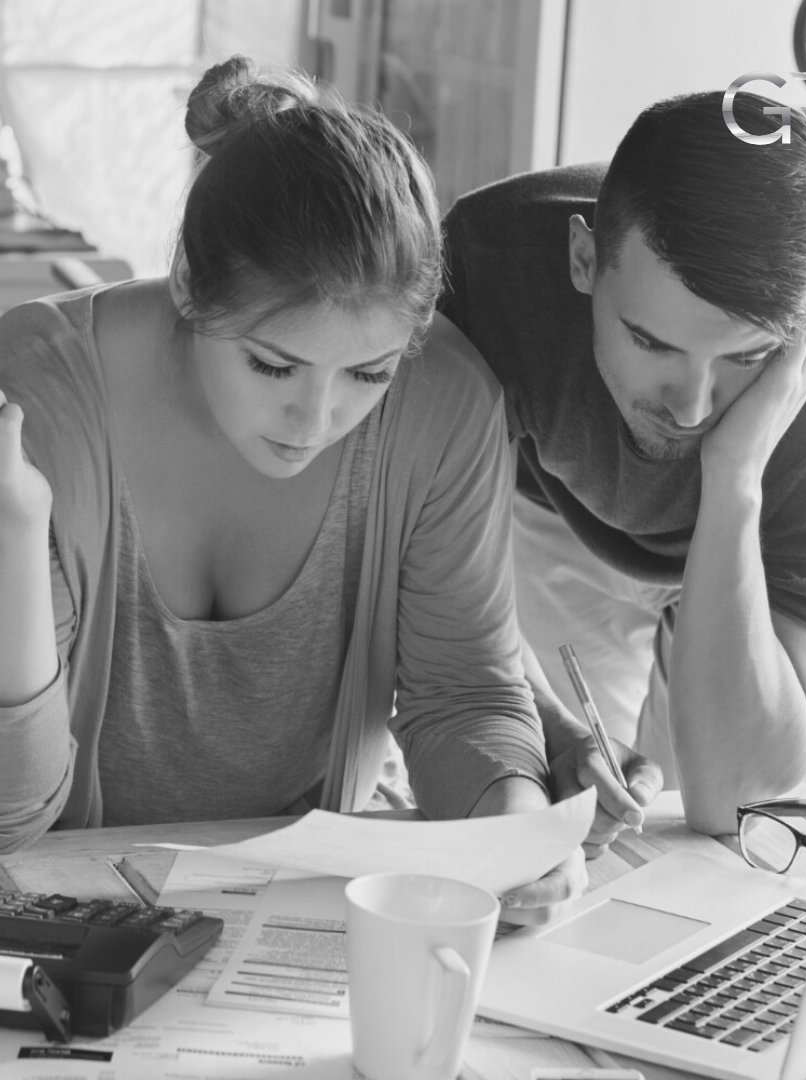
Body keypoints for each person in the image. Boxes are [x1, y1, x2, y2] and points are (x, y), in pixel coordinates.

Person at [0, 57, 580, 922]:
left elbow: (463, 691)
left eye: (368, 374)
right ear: (192, 285)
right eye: (275, 364)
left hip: (306, 916)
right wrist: (15, 530)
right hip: (61, 925)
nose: (316, 419)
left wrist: (511, 837)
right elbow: (13, 816)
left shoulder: (446, 405)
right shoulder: (37, 395)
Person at [439, 91, 806, 841]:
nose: (693, 409)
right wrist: (552, 725)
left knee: (708, 843)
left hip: (742, 553)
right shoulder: (486, 266)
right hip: (558, 512)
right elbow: (436, 591)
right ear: (584, 258)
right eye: (653, 344)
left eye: (747, 359)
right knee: (570, 823)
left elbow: (734, 795)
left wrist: (733, 479)